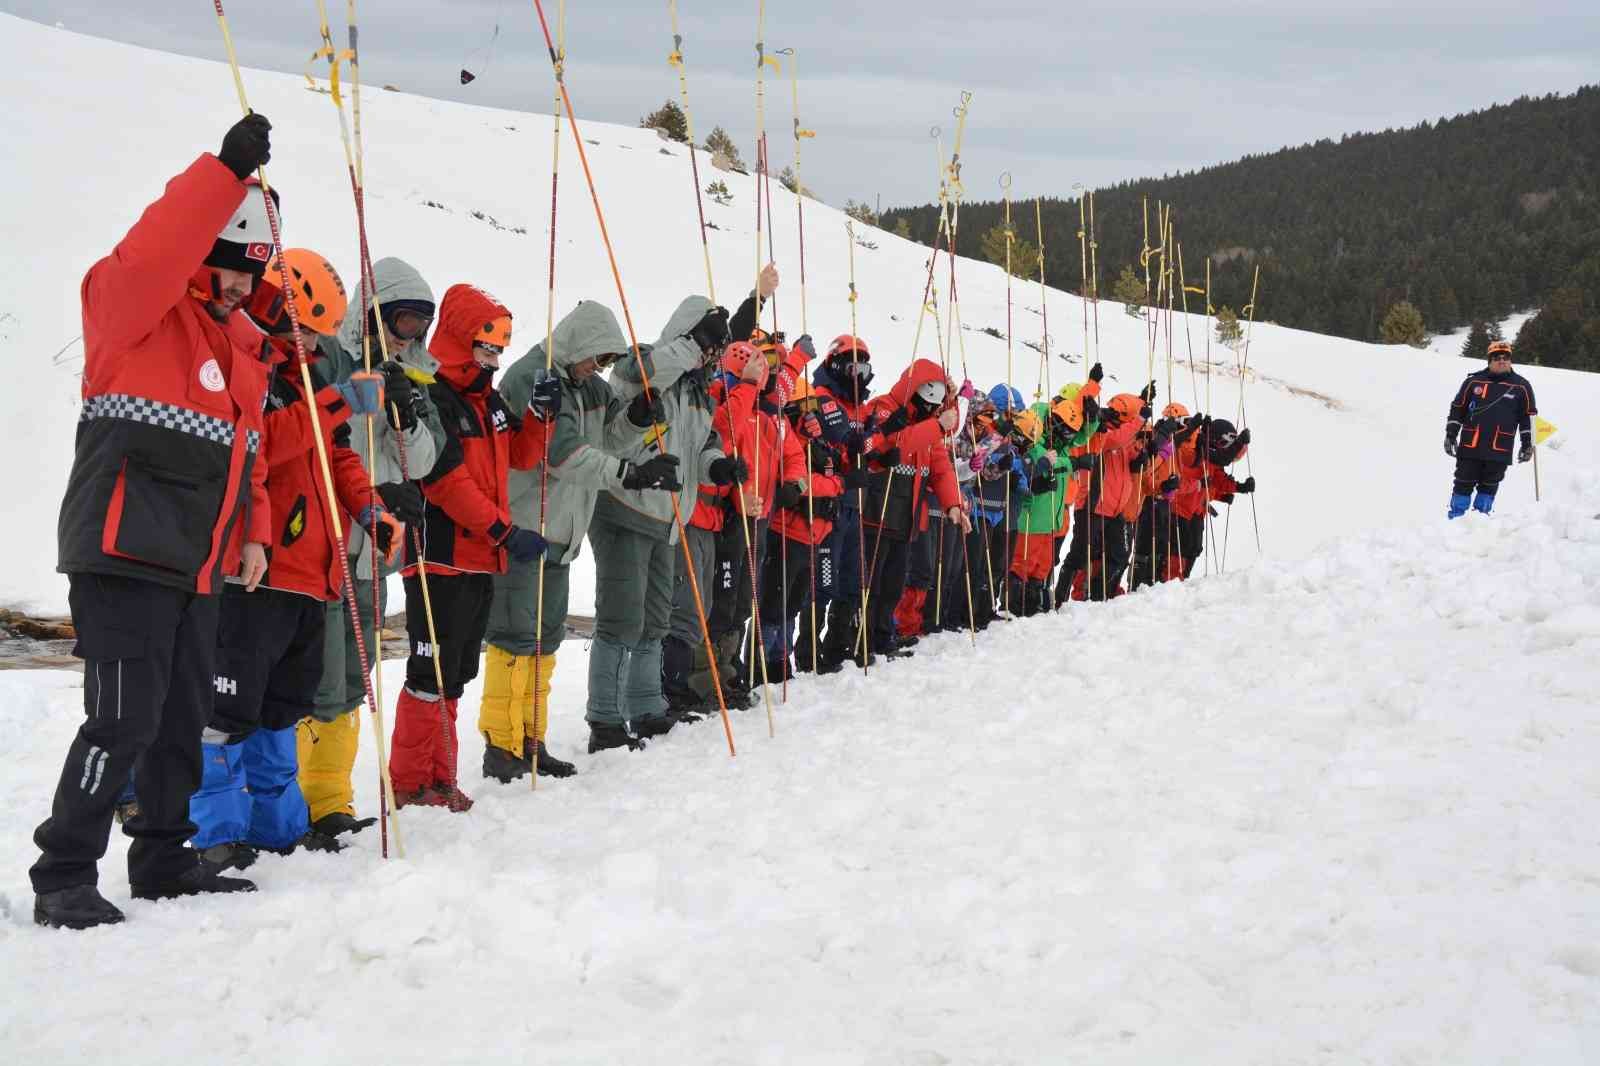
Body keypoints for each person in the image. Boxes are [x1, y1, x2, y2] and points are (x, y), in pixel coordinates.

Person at [32, 115, 277, 928]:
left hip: (198, 565)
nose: (244, 285)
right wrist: (221, 175)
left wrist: (255, 534)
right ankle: (65, 871)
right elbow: (154, 251)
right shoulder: (129, 310)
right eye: (232, 267)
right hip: (122, 553)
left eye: (255, 272)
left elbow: (250, 461)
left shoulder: (241, 350)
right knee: (123, 719)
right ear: (202, 255)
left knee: (181, 720)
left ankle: (165, 859)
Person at [189, 250, 398, 868]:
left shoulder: (306, 382)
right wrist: (333, 402)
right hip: (258, 571)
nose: (309, 342)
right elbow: (253, 449)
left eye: (317, 332)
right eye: (304, 327)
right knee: (228, 712)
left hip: (315, 574)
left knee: (282, 712)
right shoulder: (247, 366)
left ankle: (276, 829)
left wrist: (368, 509)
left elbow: (338, 458)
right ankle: (215, 834)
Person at [297, 256, 444, 839]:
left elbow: (427, 459)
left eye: (414, 326)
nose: (404, 336)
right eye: (398, 321)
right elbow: (319, 443)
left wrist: (406, 417)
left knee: (355, 676)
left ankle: (331, 797)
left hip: (372, 551)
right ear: (374, 314)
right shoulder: (337, 361)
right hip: (323, 542)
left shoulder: (413, 376)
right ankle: (306, 799)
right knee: (318, 677)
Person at [389, 285, 551, 810]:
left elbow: (522, 457)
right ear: (462, 340)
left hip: (480, 556)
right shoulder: (436, 393)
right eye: (486, 347)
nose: (494, 358)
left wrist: (541, 419)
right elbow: (445, 481)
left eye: (499, 349)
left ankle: (440, 777)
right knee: (428, 672)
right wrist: (504, 531)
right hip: (440, 554)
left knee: (455, 675)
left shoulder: (490, 400)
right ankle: (411, 782)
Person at [479, 300, 649, 783]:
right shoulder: (532, 376)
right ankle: (501, 744)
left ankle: (532, 740)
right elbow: (564, 454)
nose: (599, 368)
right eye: (597, 357)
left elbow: (609, 441)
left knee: (544, 641)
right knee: (513, 637)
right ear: (579, 342)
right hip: (525, 527)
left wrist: (637, 418)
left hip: (562, 533)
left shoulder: (588, 386)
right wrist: (630, 475)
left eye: (607, 361)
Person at [589, 295, 737, 752]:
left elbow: (703, 442)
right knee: (621, 615)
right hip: (625, 507)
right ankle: (605, 717)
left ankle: (645, 704)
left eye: (715, 347)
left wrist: (716, 467)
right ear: (690, 335)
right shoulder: (646, 361)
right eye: (709, 343)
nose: (712, 355)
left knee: (656, 618)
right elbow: (636, 378)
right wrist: (691, 345)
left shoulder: (698, 394)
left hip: (669, 517)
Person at [854, 359, 968, 663]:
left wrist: (953, 503)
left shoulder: (930, 428)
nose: (931, 409)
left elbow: (940, 467)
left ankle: (882, 636)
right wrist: (935, 426)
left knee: (893, 583)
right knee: (871, 583)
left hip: (906, 516)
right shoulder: (886, 407)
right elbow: (892, 443)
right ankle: (858, 640)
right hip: (877, 510)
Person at [1445, 339, 1537, 517]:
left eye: (1505, 357)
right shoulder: (1473, 382)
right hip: (1471, 446)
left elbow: (1528, 417)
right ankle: (1455, 522)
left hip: (1499, 448)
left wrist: (1527, 444)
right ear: (1489, 360)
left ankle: (1481, 523)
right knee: (1462, 483)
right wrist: (1450, 435)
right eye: (1496, 357)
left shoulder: (1522, 386)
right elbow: (1458, 409)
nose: (1501, 360)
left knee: (1489, 487)